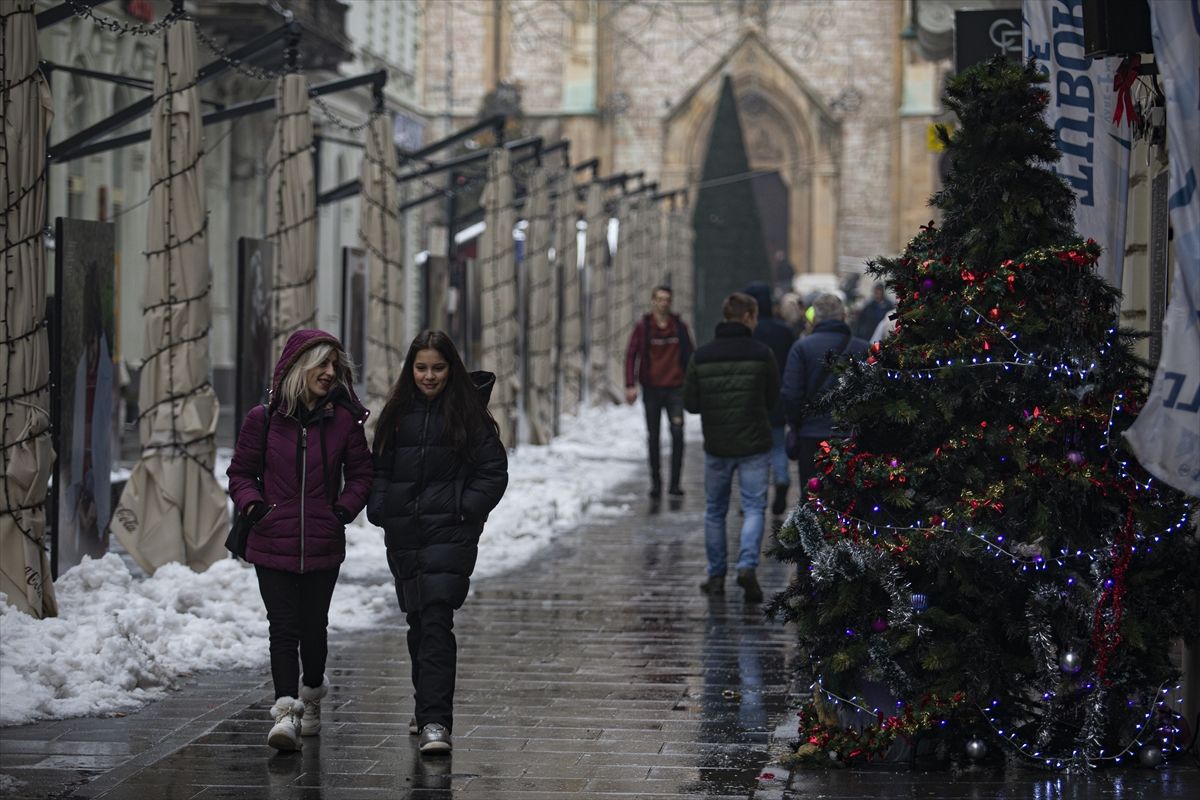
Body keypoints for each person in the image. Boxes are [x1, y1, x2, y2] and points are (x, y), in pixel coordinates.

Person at [227, 329, 372, 752]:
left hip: (323, 544)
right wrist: (255, 508)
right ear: (297, 367)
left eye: (334, 366)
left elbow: (362, 475)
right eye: (321, 364)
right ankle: (286, 712)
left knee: (314, 629)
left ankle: (311, 693)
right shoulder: (264, 419)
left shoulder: (343, 420)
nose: (329, 373)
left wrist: (342, 510)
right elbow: (240, 473)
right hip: (272, 540)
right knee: (282, 628)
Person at [367, 330, 509, 755]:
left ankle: (435, 722)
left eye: (438, 368)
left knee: (435, 621)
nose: (429, 376)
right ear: (411, 369)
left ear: (452, 369)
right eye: (422, 367)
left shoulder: (469, 416)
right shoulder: (396, 414)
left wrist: (464, 510)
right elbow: (381, 469)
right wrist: (381, 507)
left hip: (448, 535)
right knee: (417, 622)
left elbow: (493, 472)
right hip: (405, 536)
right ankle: (424, 705)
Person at [683, 293, 780, 602]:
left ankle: (715, 575)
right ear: (749, 316)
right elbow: (772, 398)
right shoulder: (762, 354)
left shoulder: (701, 356)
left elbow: (691, 403)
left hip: (717, 444)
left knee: (715, 511)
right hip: (754, 443)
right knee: (753, 507)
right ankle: (747, 565)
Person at [782, 294, 870, 502]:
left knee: (813, 499)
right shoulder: (862, 348)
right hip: (851, 436)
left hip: (811, 436)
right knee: (850, 502)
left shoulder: (801, 348)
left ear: (814, 319)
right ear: (843, 316)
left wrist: (796, 425)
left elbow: (791, 394)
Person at [624, 285, 695, 498]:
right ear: (653, 301)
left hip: (675, 389)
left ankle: (675, 483)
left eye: (667, 299)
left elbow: (690, 356)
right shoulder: (644, 327)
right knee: (653, 436)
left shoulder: (679, 326)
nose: (663, 303)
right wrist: (630, 384)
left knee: (677, 432)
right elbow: (631, 354)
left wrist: (692, 384)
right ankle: (656, 483)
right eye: (660, 299)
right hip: (652, 389)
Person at [744, 282, 797, 516]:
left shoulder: (749, 332)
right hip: (778, 396)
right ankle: (782, 478)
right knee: (777, 445)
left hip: (753, 398)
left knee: (754, 450)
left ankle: (754, 495)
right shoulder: (784, 331)